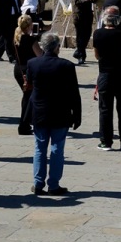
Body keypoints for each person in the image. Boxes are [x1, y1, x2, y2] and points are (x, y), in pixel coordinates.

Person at [26, 32, 81, 196]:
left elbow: (29, 86)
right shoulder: (67, 66)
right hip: (60, 112)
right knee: (57, 148)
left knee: (39, 148)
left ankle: (37, 183)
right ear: (57, 47)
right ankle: (54, 185)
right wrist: (77, 114)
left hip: (40, 111)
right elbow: (74, 93)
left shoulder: (33, 63)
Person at [92, 8, 121, 151]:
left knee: (105, 109)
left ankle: (106, 141)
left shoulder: (98, 33)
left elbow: (96, 55)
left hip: (105, 74)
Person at [12, 14, 42, 135]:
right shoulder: (30, 40)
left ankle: (26, 123)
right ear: (29, 25)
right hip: (29, 71)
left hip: (18, 70)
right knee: (29, 97)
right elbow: (39, 55)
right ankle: (24, 124)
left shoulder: (16, 38)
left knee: (27, 96)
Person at [69, 0, 98, 64]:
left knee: (87, 35)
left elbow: (92, 0)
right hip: (79, 15)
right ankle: (81, 56)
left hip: (88, 15)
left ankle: (78, 51)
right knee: (80, 36)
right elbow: (77, 1)